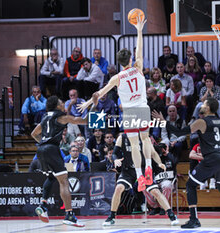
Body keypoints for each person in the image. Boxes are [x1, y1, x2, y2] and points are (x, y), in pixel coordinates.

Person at [78, 17, 154, 192]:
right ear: (130, 59)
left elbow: (100, 93)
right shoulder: (138, 67)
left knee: (134, 145)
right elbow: (140, 49)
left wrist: (88, 103)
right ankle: (148, 166)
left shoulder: (116, 77)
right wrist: (140, 30)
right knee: (146, 139)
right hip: (143, 108)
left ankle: (140, 175)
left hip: (129, 113)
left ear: (119, 62)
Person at [152, 97, 220, 228]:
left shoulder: (202, 122)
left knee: (190, 185)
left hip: (212, 158)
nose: (202, 105)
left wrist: (163, 121)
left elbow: (180, 131)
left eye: (204, 104)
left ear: (208, 107)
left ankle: (194, 219)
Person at [30, 95, 97, 227]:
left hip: (41, 150)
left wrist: (44, 143)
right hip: (51, 149)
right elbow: (85, 120)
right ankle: (69, 215)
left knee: (51, 177)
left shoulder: (44, 118)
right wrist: (94, 105)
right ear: (57, 106)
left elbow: (33, 134)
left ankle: (43, 205)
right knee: (64, 181)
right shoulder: (61, 117)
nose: (63, 104)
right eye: (61, 102)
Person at [103, 134, 179, 226]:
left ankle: (171, 215)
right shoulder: (122, 137)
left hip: (142, 170)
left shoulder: (144, 137)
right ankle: (111, 216)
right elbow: (114, 153)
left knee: (155, 191)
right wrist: (115, 160)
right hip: (128, 170)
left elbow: (153, 153)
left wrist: (159, 163)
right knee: (118, 188)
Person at [146, 143, 179, 215]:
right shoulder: (155, 158)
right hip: (157, 181)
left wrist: (167, 152)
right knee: (144, 187)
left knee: (167, 185)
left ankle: (163, 207)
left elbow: (175, 162)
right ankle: (155, 207)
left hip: (168, 180)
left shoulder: (170, 157)